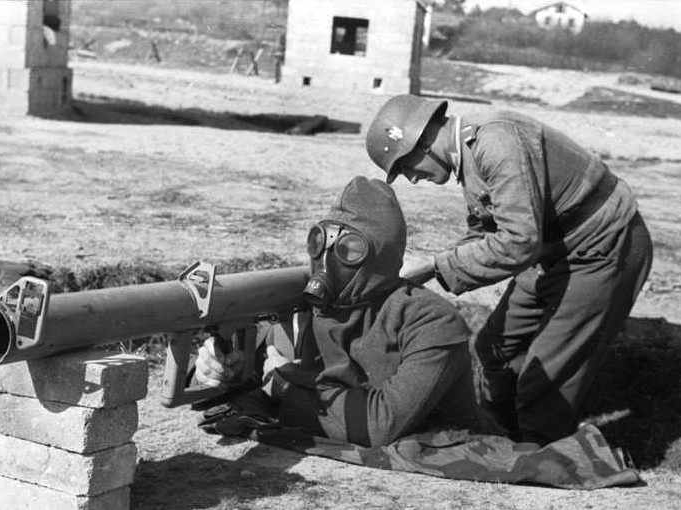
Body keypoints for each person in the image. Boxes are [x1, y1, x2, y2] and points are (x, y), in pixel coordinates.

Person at [364, 94, 653, 446]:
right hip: (551, 251)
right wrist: (430, 266)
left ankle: (540, 461)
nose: (412, 179)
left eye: (406, 167)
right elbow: (485, 234)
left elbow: (518, 243)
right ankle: (500, 439)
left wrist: (434, 266)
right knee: (494, 349)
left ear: (423, 142)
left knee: (545, 376)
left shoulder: (495, 142)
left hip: (603, 246)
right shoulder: (469, 158)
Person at [192, 176, 493, 447]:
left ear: (380, 256)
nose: (327, 262)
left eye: (348, 249)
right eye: (320, 243)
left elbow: (380, 426)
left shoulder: (431, 321)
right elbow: (210, 373)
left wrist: (284, 389)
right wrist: (214, 370)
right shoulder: (302, 307)